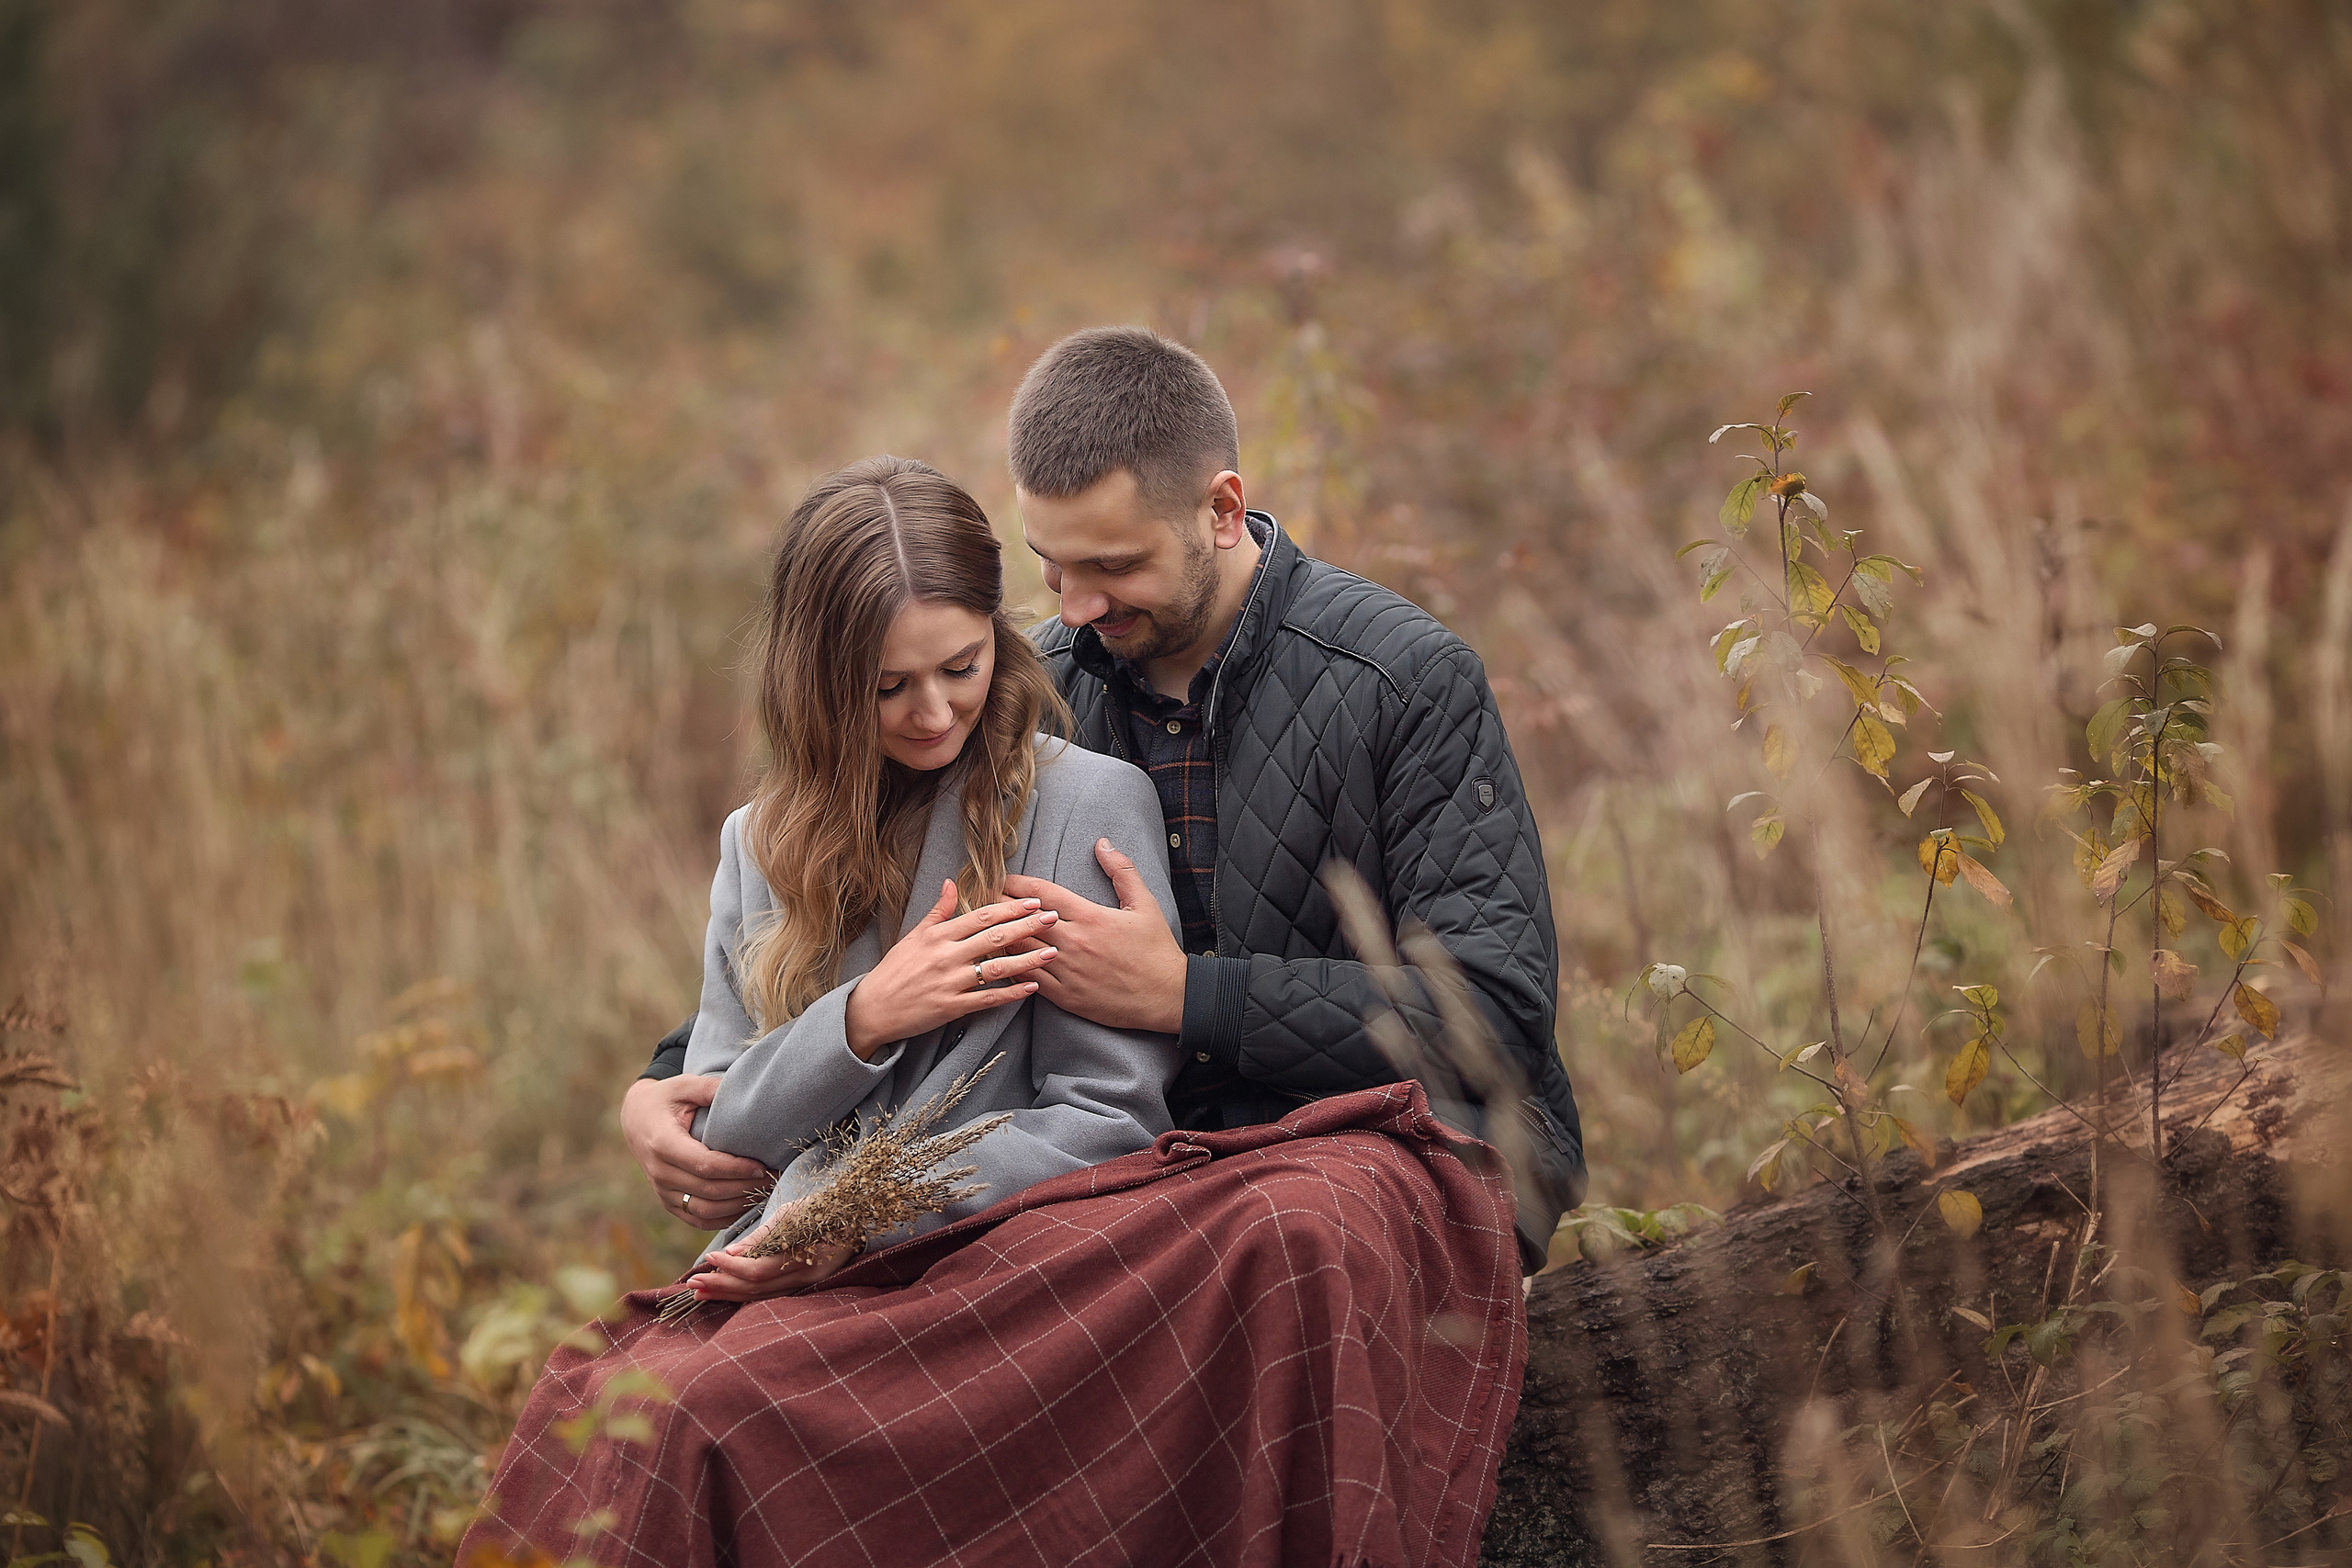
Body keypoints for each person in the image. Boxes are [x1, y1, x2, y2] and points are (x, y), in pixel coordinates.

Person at [628, 327, 1587, 1267]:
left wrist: (1185, 996)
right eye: (1052, 563)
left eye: (1115, 566)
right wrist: (665, 1083)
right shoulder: (1018, 696)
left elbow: (1494, 1020)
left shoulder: (1400, 680)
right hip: (1153, 1175)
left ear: (1221, 509)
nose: (1077, 606)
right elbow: (842, 886)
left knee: (1283, 1235)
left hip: (1392, 1146)